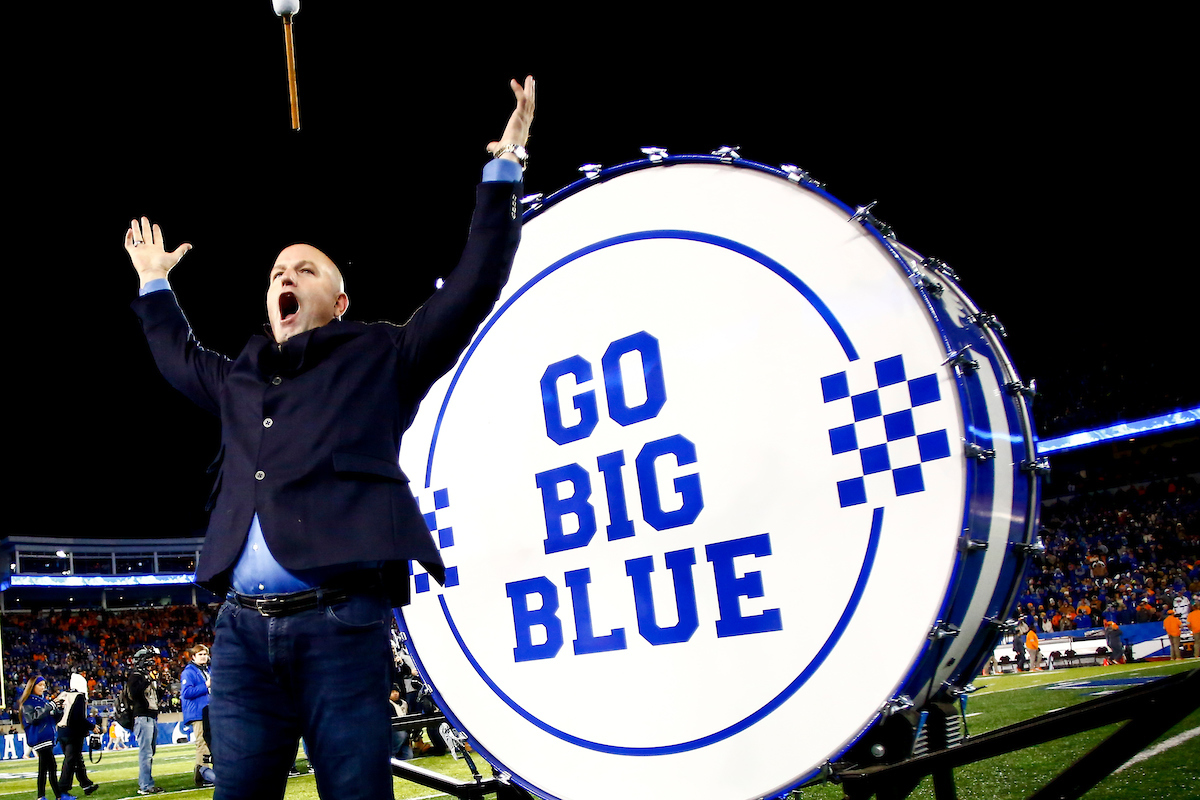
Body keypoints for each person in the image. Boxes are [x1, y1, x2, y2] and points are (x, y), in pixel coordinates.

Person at [123, 76, 534, 800]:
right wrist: (156, 283)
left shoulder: (382, 356)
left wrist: (502, 170)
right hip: (241, 638)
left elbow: (471, 285)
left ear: (339, 301)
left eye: (305, 269)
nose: (286, 275)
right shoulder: (241, 377)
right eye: (277, 271)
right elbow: (178, 358)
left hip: (341, 625)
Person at [19, 675, 72, 800]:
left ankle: (41, 796)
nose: (43, 688)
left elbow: (54, 719)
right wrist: (50, 706)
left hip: (47, 737)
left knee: (43, 769)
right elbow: (32, 718)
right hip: (40, 738)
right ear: (32, 686)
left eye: (44, 685)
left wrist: (59, 710)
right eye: (40, 685)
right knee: (51, 767)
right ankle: (59, 796)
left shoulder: (42, 701)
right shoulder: (28, 703)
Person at [127, 648, 164, 795]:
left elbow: (155, 698)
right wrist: (149, 679)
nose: (152, 663)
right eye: (149, 659)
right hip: (142, 716)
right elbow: (134, 694)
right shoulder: (135, 676)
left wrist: (163, 686)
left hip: (151, 716)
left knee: (150, 751)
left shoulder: (146, 676)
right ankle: (145, 785)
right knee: (146, 752)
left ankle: (147, 782)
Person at [56, 673, 99, 797]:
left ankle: (86, 784)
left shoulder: (63, 695)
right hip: (73, 733)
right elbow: (78, 718)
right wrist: (92, 727)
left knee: (76, 759)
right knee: (70, 761)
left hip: (61, 731)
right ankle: (62, 789)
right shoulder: (79, 697)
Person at [181, 645, 213, 787]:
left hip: (209, 711)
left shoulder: (206, 670)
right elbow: (186, 693)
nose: (203, 656)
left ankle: (207, 774)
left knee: (212, 744)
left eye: (205, 654)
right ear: (193, 657)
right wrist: (206, 685)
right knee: (202, 744)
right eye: (200, 654)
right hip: (198, 713)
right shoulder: (189, 672)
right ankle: (202, 776)